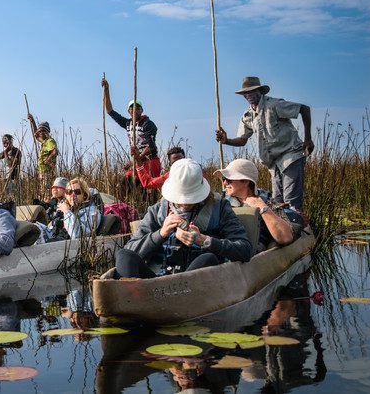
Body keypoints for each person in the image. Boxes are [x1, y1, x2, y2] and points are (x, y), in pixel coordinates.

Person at [113, 159, 251, 279]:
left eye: (191, 199)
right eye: (179, 199)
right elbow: (131, 249)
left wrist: (206, 241)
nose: (184, 204)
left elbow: (244, 250)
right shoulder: (157, 211)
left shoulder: (220, 207)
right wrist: (160, 234)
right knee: (124, 255)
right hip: (155, 282)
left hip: (194, 283)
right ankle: (135, 300)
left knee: (208, 259)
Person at [216, 76, 314, 211]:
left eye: (252, 91)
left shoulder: (274, 105)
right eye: (246, 93)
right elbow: (242, 140)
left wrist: (308, 138)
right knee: (277, 203)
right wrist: (226, 141)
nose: (248, 95)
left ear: (260, 91)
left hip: (290, 155)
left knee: (291, 201)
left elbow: (304, 109)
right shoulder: (248, 116)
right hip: (273, 163)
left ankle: (295, 229)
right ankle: (283, 229)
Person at [216, 159, 301, 250]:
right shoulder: (221, 201)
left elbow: (285, 238)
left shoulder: (267, 202)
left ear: (245, 181)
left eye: (229, 180)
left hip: (251, 251)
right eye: (224, 179)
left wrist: (262, 207)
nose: (224, 183)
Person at [102, 77, 160, 179]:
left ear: (142, 110)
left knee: (149, 191)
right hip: (137, 162)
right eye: (132, 108)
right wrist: (106, 90)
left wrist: (133, 161)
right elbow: (110, 111)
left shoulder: (148, 124)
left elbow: (151, 147)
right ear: (129, 111)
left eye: (138, 108)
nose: (135, 110)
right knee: (124, 183)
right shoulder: (128, 123)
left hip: (150, 161)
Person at [27, 114, 58, 189]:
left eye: (43, 131)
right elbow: (36, 135)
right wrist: (32, 121)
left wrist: (47, 160)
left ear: (48, 132)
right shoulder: (44, 142)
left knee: (46, 192)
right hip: (42, 172)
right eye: (40, 131)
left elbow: (55, 151)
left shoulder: (49, 141)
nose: (41, 133)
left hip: (47, 172)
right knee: (43, 191)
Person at [0, 133, 21, 199]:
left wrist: (6, 152)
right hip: (6, 179)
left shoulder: (16, 151)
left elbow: (10, 164)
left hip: (13, 179)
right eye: (3, 140)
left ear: (11, 141)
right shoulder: (6, 152)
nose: (4, 141)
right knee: (7, 198)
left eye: (6, 139)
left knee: (13, 198)